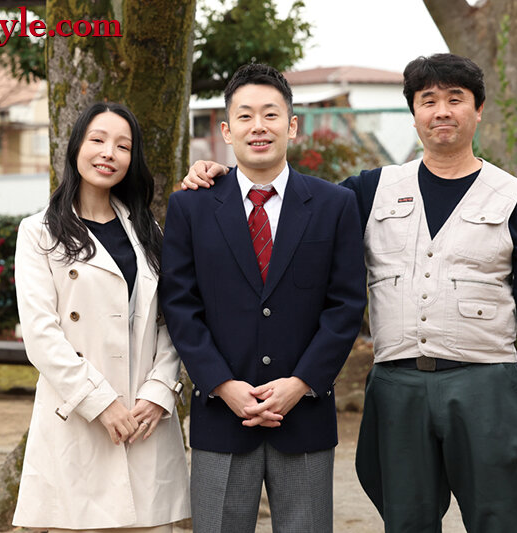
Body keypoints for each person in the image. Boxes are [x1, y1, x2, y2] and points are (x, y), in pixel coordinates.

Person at [181, 53, 517, 533]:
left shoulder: (514, 199)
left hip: (486, 383)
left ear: (479, 109)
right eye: (428, 101)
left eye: (456, 100)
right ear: (414, 113)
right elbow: (287, 203)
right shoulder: (369, 190)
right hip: (398, 385)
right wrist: (219, 176)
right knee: (406, 519)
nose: (442, 112)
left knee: (502, 517)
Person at [159, 63, 366, 533]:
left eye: (271, 115)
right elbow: (180, 305)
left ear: (291, 126)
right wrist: (221, 384)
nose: (259, 126)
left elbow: (346, 305)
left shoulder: (334, 205)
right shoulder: (191, 206)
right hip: (221, 414)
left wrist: (301, 383)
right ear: (226, 131)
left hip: (306, 414)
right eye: (246, 116)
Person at [12, 102, 190, 532]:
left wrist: (159, 392)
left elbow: (171, 322)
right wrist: (101, 404)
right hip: (78, 417)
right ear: (76, 146)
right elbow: (41, 335)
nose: (109, 152)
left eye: (123, 146)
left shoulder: (148, 230)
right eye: (98, 140)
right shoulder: (38, 232)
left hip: (144, 420)